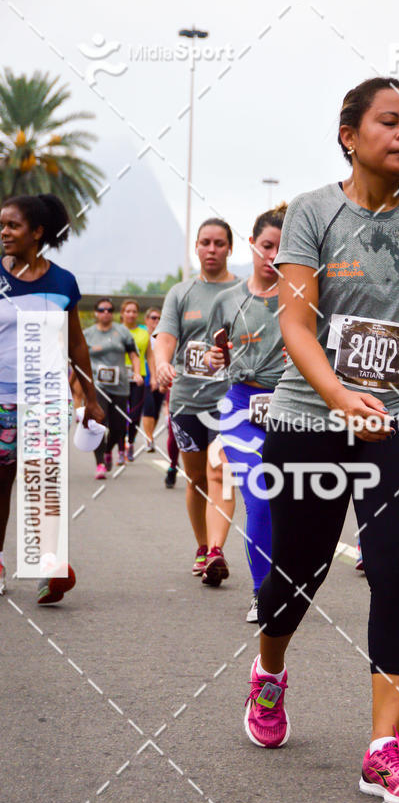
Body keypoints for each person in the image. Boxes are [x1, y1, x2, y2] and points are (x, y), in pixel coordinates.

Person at [243, 77, 399, 803]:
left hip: (396, 423)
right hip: (308, 419)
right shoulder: (312, 211)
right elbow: (295, 323)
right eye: (390, 122)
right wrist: (336, 395)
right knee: (296, 575)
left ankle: (384, 748)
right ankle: (269, 671)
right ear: (349, 133)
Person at [0, 193, 104, 603]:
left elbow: (76, 346)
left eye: (12, 225)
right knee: (1, 481)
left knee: (41, 480)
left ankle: (49, 566)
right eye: (2, 225)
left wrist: (90, 399)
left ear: (37, 232)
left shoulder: (63, 282)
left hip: (45, 398)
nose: (4, 232)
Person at [204, 204, 288, 622]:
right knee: (259, 498)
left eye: (282, 248)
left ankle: (285, 579)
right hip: (240, 406)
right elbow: (213, 358)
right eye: (267, 246)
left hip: (292, 407)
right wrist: (214, 357)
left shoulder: (303, 298)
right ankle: (262, 592)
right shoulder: (227, 300)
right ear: (253, 245)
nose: (273, 255)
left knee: (295, 501)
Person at [154, 219, 239, 582]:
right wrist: (160, 363)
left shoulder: (243, 292)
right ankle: (203, 546)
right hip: (187, 401)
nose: (212, 249)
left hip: (230, 401)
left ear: (230, 248)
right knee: (196, 478)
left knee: (222, 472)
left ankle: (217, 551)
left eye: (219, 243)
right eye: (205, 242)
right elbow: (167, 337)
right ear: (196, 247)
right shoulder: (181, 292)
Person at [84, 298, 141, 478]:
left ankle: (109, 449)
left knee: (118, 428)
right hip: (97, 386)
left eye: (109, 309)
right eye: (102, 309)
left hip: (120, 385)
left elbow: (134, 354)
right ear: (96, 313)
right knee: (98, 423)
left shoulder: (122, 331)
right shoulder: (88, 334)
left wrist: (137, 373)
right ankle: (100, 462)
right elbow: (80, 360)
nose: (106, 312)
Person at [120, 298, 153, 461]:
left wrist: (153, 377)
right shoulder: (116, 331)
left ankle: (130, 442)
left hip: (138, 377)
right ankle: (120, 447)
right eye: (128, 311)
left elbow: (150, 356)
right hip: (118, 378)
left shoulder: (143, 333)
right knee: (118, 414)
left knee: (134, 415)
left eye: (134, 311)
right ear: (122, 314)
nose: (131, 314)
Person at [141, 306, 164, 452]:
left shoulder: (162, 338)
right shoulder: (142, 335)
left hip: (160, 378)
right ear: (147, 320)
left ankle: (148, 436)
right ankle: (150, 439)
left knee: (155, 411)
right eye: (153, 318)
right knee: (148, 408)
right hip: (145, 378)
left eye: (159, 318)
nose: (156, 321)